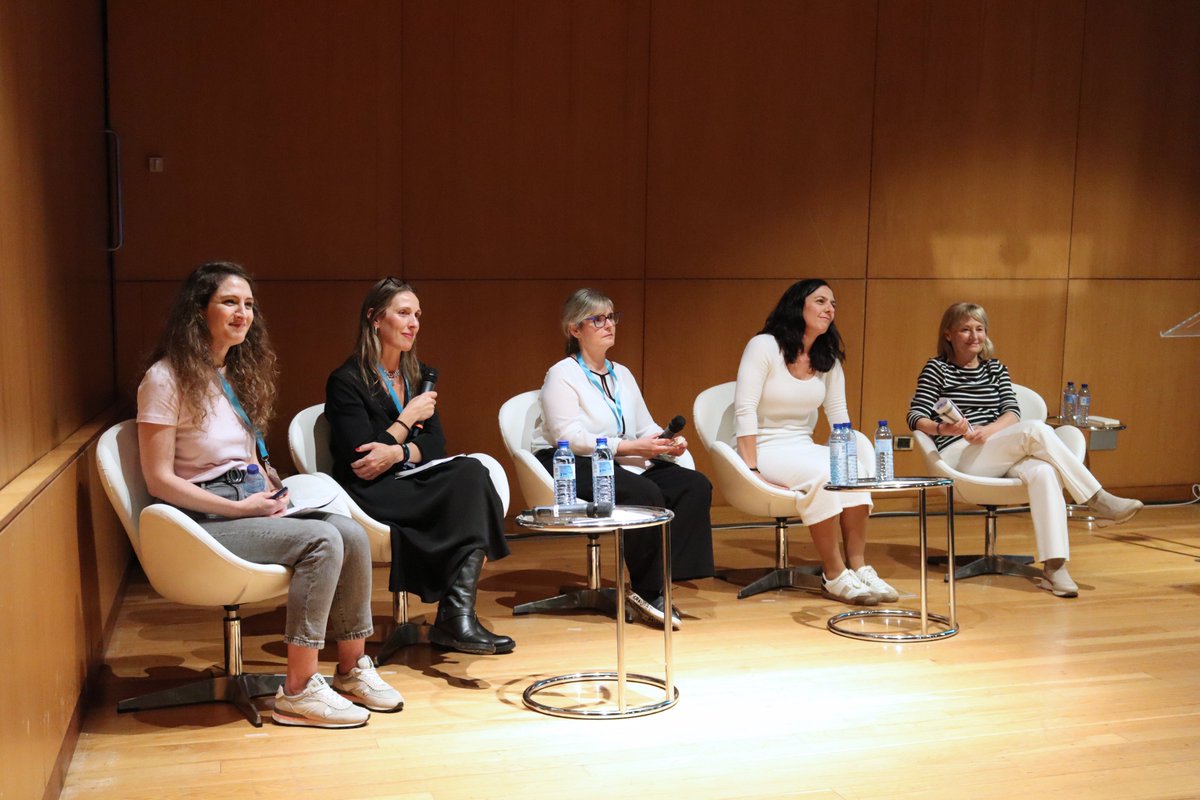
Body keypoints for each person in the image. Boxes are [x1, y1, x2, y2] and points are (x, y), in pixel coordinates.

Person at [137, 262, 401, 729]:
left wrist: (271, 485)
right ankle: (297, 691)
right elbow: (158, 480)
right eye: (229, 302)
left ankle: (351, 669)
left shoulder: (229, 373)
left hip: (247, 503)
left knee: (350, 533)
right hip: (203, 519)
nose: (243, 314)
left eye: (249, 305)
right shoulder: (166, 377)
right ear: (198, 311)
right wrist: (237, 507)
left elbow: (242, 455)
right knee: (321, 542)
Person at [324, 278, 514, 655]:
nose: (413, 323)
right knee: (470, 480)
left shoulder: (417, 375)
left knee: (474, 472)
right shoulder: (346, 381)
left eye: (417, 315)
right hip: (370, 491)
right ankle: (455, 618)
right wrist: (408, 419)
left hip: (408, 477)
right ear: (375, 319)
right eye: (403, 313)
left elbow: (435, 444)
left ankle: (457, 615)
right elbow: (363, 457)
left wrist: (397, 453)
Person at [906, 302, 1143, 598]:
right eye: (965, 329)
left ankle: (1055, 568)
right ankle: (1097, 498)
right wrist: (946, 429)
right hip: (959, 455)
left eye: (979, 329)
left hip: (996, 447)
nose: (974, 336)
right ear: (949, 335)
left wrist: (989, 431)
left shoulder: (995, 369)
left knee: (1042, 470)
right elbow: (915, 417)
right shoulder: (937, 368)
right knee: (1037, 429)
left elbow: (1012, 413)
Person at [533, 288, 715, 628]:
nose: (608, 325)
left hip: (618, 460)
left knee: (694, 485)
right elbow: (567, 437)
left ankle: (661, 583)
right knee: (645, 495)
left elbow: (643, 425)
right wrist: (630, 448)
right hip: (569, 463)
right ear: (575, 330)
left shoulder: (623, 374)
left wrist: (666, 441)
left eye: (612, 317)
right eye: (597, 319)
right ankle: (649, 591)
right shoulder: (562, 373)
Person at [734, 278, 895, 606]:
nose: (830, 309)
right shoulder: (765, 346)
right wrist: (750, 467)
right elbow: (744, 408)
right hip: (765, 448)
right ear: (799, 306)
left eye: (833, 304)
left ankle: (859, 566)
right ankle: (834, 574)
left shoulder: (827, 358)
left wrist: (850, 456)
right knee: (823, 474)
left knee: (854, 468)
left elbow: (839, 416)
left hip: (801, 445)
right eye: (821, 301)